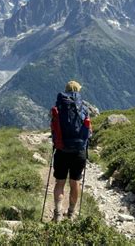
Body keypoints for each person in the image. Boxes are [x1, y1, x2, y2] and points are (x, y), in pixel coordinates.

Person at [50, 80, 91, 222]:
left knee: (59, 183)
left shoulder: (59, 107)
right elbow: (88, 132)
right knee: (75, 183)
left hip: (61, 150)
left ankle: (57, 214)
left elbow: (54, 129)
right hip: (79, 152)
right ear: (77, 91)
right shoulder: (83, 108)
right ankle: (72, 213)